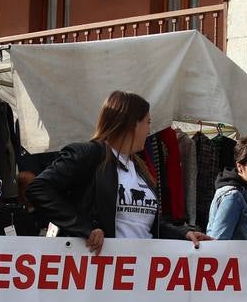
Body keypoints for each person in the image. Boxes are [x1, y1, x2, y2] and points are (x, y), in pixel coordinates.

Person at [26, 90, 208, 254]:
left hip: (139, 271)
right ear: (131, 125)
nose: (149, 130)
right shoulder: (89, 154)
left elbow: (146, 225)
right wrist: (85, 228)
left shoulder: (138, 166)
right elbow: (39, 189)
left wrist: (184, 233)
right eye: (147, 122)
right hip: (99, 272)